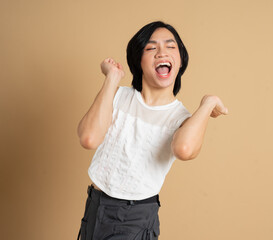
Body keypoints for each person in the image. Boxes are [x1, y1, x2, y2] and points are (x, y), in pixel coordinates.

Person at [76, 21, 228, 240]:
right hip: (95, 207)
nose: (161, 52)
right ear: (138, 60)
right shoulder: (117, 96)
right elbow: (89, 138)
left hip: (134, 217)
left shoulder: (180, 118)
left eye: (170, 46)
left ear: (181, 60)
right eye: (150, 48)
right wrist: (112, 78)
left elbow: (184, 149)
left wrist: (207, 104)